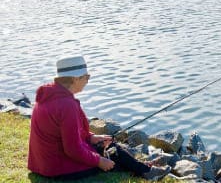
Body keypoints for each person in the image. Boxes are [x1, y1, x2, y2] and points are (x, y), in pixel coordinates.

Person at [28, 56, 170, 180]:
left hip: (43, 163)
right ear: (75, 79)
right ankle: (147, 171)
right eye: (87, 77)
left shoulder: (48, 95)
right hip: (59, 168)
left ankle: (143, 168)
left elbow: (65, 133)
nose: (87, 81)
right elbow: (72, 149)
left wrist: (91, 137)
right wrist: (99, 161)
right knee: (112, 153)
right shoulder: (66, 105)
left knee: (106, 146)